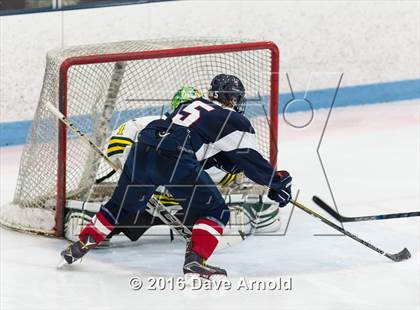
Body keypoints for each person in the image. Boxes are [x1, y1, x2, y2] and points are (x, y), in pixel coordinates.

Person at [60, 74, 292, 280]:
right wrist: (277, 181)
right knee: (216, 211)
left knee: (119, 206)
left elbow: (197, 138)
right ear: (233, 99)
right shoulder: (233, 119)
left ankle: (80, 245)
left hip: (145, 145)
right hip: (175, 156)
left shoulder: (193, 103)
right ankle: (195, 261)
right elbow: (249, 158)